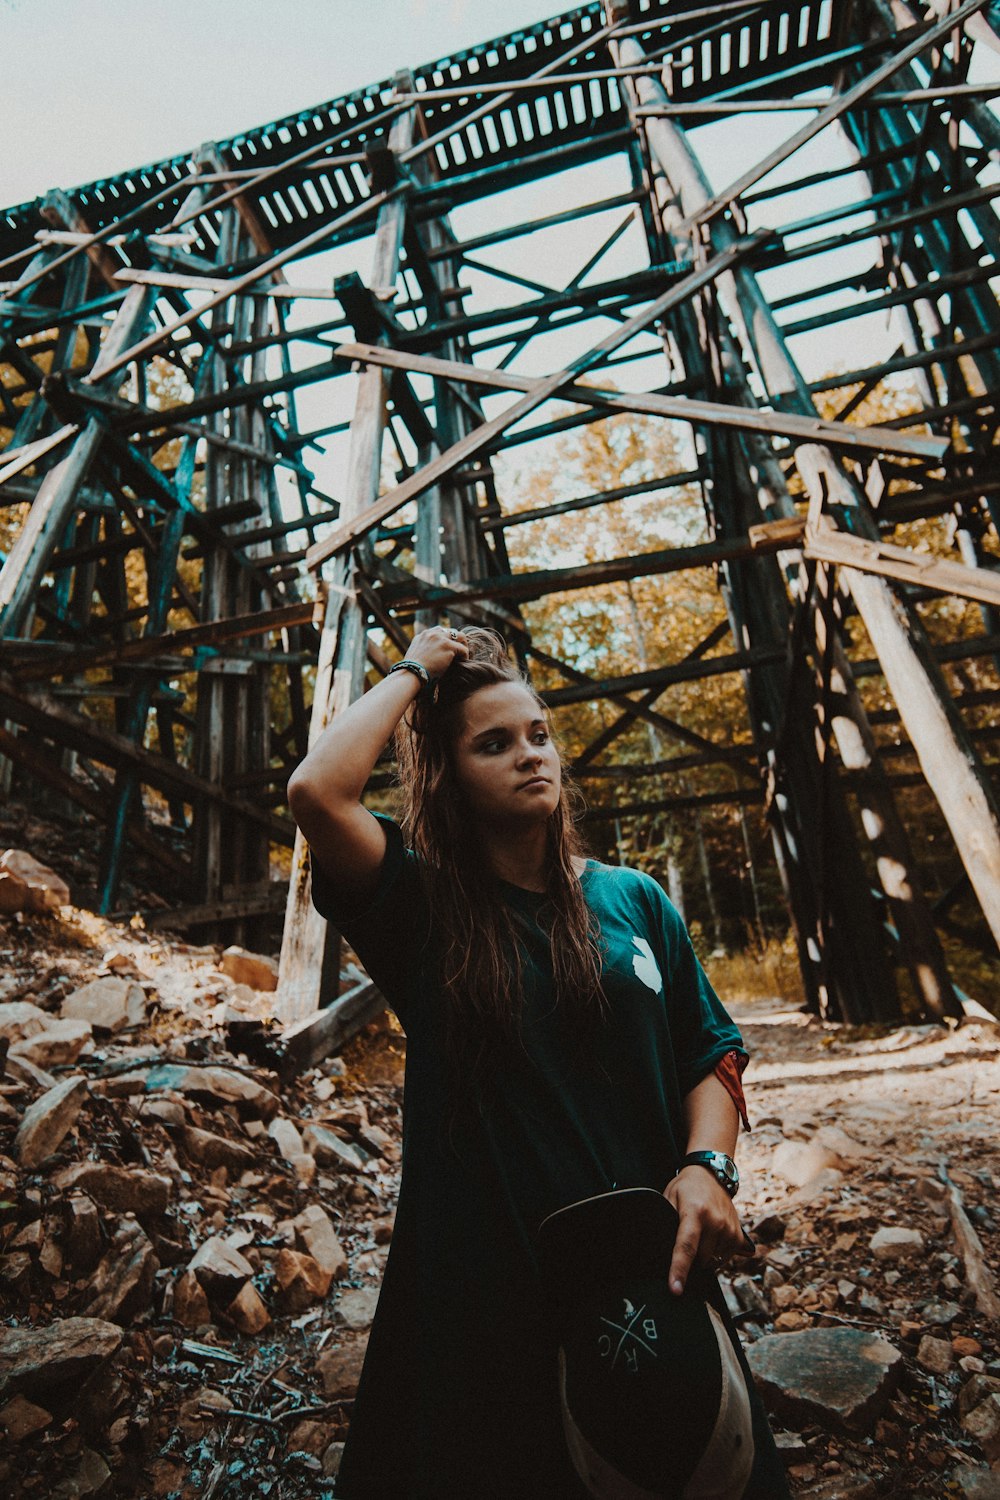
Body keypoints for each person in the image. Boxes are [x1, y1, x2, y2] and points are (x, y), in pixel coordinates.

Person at [287, 624, 789, 1500]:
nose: (530, 756)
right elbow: (317, 792)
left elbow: (709, 1053)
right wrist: (417, 671)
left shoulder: (633, 898)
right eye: (494, 744)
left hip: (644, 1260)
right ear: (449, 777)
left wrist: (710, 1167)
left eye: (539, 735)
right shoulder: (423, 907)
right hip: (485, 1282)